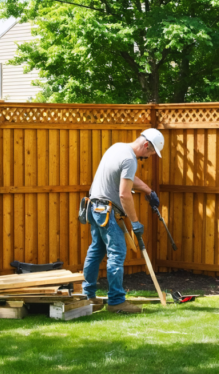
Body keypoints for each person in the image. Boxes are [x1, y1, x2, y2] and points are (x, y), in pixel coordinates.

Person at [82, 128, 164, 314]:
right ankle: (116, 302)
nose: (150, 157)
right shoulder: (129, 159)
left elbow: (127, 177)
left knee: (96, 250)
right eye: (151, 152)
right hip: (108, 211)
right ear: (145, 145)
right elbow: (124, 194)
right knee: (117, 254)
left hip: (94, 207)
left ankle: (88, 297)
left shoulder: (117, 148)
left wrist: (147, 190)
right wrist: (135, 223)